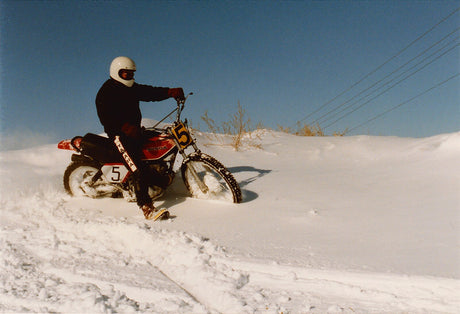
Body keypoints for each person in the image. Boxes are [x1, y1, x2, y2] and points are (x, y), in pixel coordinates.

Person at [95, 56, 184, 219]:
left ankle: (160, 179)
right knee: (138, 169)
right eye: (125, 74)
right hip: (119, 136)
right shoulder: (106, 92)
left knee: (158, 140)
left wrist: (170, 92)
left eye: (131, 73)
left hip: (135, 131)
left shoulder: (131, 88)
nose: (128, 76)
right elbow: (105, 117)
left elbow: (150, 92)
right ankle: (146, 207)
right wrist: (124, 128)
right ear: (116, 72)